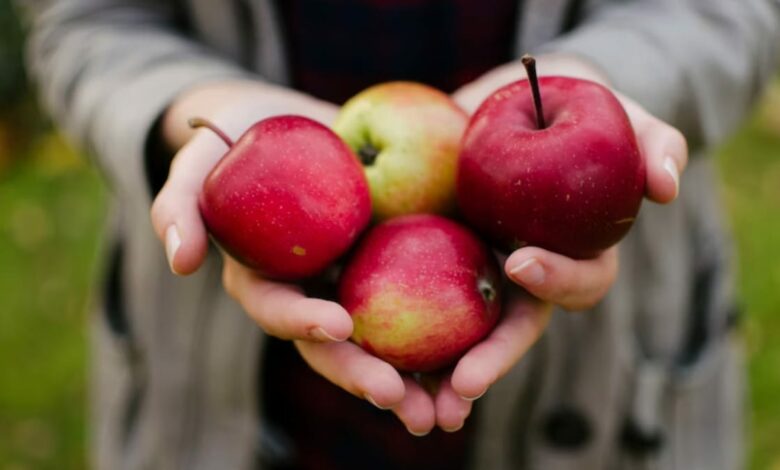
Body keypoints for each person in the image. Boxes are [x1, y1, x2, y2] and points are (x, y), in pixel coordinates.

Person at [21, 0, 780, 468]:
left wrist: (596, 74)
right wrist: (187, 106)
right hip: (227, 389)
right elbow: (86, 19)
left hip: (602, 381)